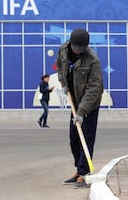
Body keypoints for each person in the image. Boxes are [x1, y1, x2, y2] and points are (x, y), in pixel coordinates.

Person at [56, 28, 104, 189]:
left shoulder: (92, 60)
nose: (78, 52)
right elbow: (60, 67)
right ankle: (79, 169)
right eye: (76, 48)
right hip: (74, 100)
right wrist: (63, 84)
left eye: (81, 49)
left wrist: (82, 112)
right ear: (71, 44)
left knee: (86, 138)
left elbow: (93, 89)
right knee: (74, 139)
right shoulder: (63, 50)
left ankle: (85, 173)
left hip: (90, 104)